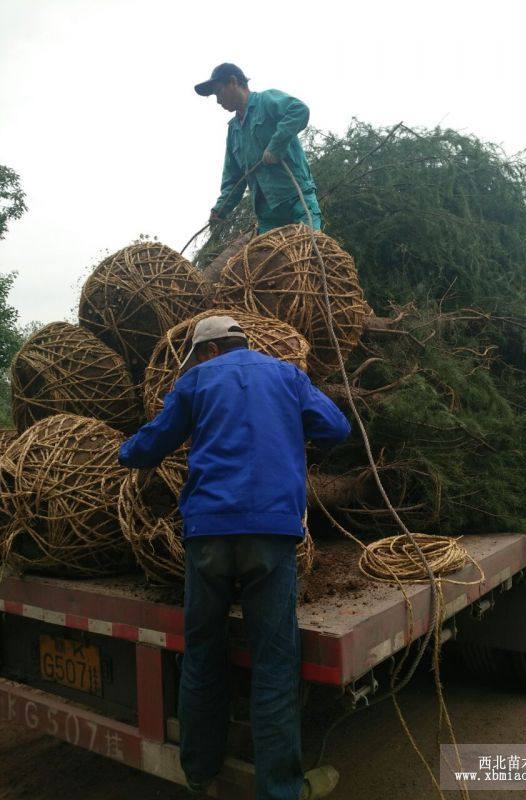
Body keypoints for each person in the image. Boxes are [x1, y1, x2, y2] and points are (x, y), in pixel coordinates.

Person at [118, 315, 350, 800]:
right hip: (271, 536)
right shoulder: (286, 375)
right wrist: (291, 430)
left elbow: (149, 446)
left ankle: (199, 774)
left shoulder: (195, 382)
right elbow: (337, 428)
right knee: (274, 662)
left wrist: (122, 453)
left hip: (208, 536)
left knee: (202, 654)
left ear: (207, 351)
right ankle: (281, 788)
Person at [194, 63, 322, 234]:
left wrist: (275, 147)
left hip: (296, 201)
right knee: (267, 260)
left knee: (307, 252)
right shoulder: (234, 131)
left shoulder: (266, 100)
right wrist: (220, 210)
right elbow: (233, 179)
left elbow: (299, 110)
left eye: (218, 92)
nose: (217, 100)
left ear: (233, 82)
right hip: (267, 216)